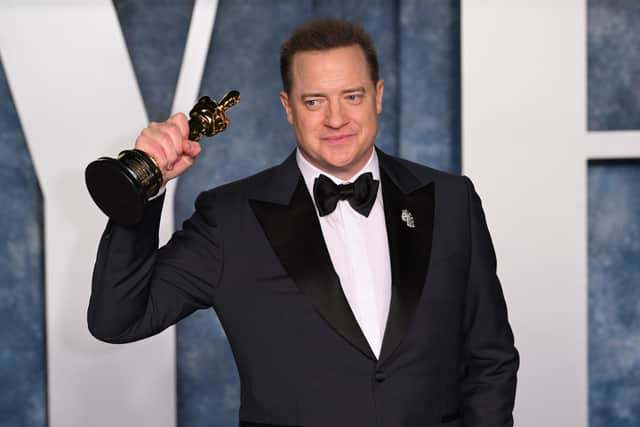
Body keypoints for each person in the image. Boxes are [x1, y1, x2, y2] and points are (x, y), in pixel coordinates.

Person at [88, 19, 518, 427]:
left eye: (352, 96)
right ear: (288, 107)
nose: (336, 119)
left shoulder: (450, 200)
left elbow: (490, 358)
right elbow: (118, 320)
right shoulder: (231, 220)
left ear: (378, 95)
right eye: (315, 101)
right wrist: (143, 186)